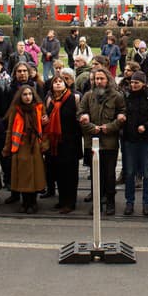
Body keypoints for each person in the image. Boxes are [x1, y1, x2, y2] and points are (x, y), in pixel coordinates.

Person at [78, 68, 126, 215]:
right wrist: (92, 127)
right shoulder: (88, 96)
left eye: (101, 79)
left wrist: (110, 127)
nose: (98, 81)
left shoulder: (116, 96)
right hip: (93, 141)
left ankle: (110, 201)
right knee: (96, 175)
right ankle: (97, 203)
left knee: (110, 174)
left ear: (107, 80)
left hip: (109, 142)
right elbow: (80, 113)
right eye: (96, 79)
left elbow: (122, 115)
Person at [2, 85, 48, 214]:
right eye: (25, 95)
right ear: (20, 97)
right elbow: (10, 130)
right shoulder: (15, 110)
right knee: (22, 176)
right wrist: (7, 147)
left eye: (29, 94)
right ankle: (25, 202)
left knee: (35, 175)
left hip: (35, 147)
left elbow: (44, 128)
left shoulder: (39, 108)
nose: (28, 97)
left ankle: (33, 202)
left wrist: (44, 143)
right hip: (20, 146)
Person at [121, 71, 148, 217]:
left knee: (147, 174)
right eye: (132, 82)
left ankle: (146, 203)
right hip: (129, 140)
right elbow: (120, 111)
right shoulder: (126, 96)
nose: (133, 85)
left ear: (143, 83)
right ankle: (129, 202)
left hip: (146, 141)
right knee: (129, 173)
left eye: (136, 83)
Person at [43, 76, 83, 214]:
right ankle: (62, 200)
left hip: (70, 143)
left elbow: (79, 119)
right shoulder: (50, 100)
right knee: (59, 172)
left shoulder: (74, 98)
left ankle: (70, 202)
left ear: (66, 84)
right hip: (55, 143)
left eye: (61, 81)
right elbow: (46, 117)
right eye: (55, 82)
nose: (58, 83)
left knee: (70, 174)